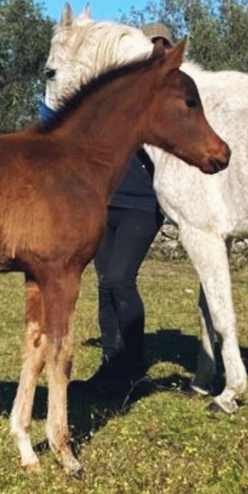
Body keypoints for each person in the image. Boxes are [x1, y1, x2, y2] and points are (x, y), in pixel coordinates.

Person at [79, 22, 175, 396]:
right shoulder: (116, 96)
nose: (155, 53)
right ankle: (110, 367)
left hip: (143, 204)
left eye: (162, 47)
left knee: (120, 278)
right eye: (150, 46)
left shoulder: (170, 99)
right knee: (105, 285)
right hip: (106, 202)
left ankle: (132, 367)